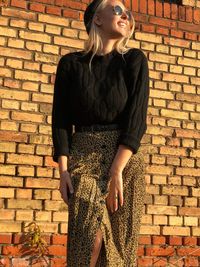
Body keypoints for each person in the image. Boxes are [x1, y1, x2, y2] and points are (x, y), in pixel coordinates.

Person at [51, 0, 150, 266]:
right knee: (88, 239)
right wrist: (63, 171)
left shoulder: (134, 60)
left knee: (120, 247)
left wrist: (117, 170)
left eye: (128, 13)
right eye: (117, 9)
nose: (125, 15)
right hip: (83, 155)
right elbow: (60, 120)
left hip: (125, 159)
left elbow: (136, 120)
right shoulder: (71, 64)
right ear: (96, 19)